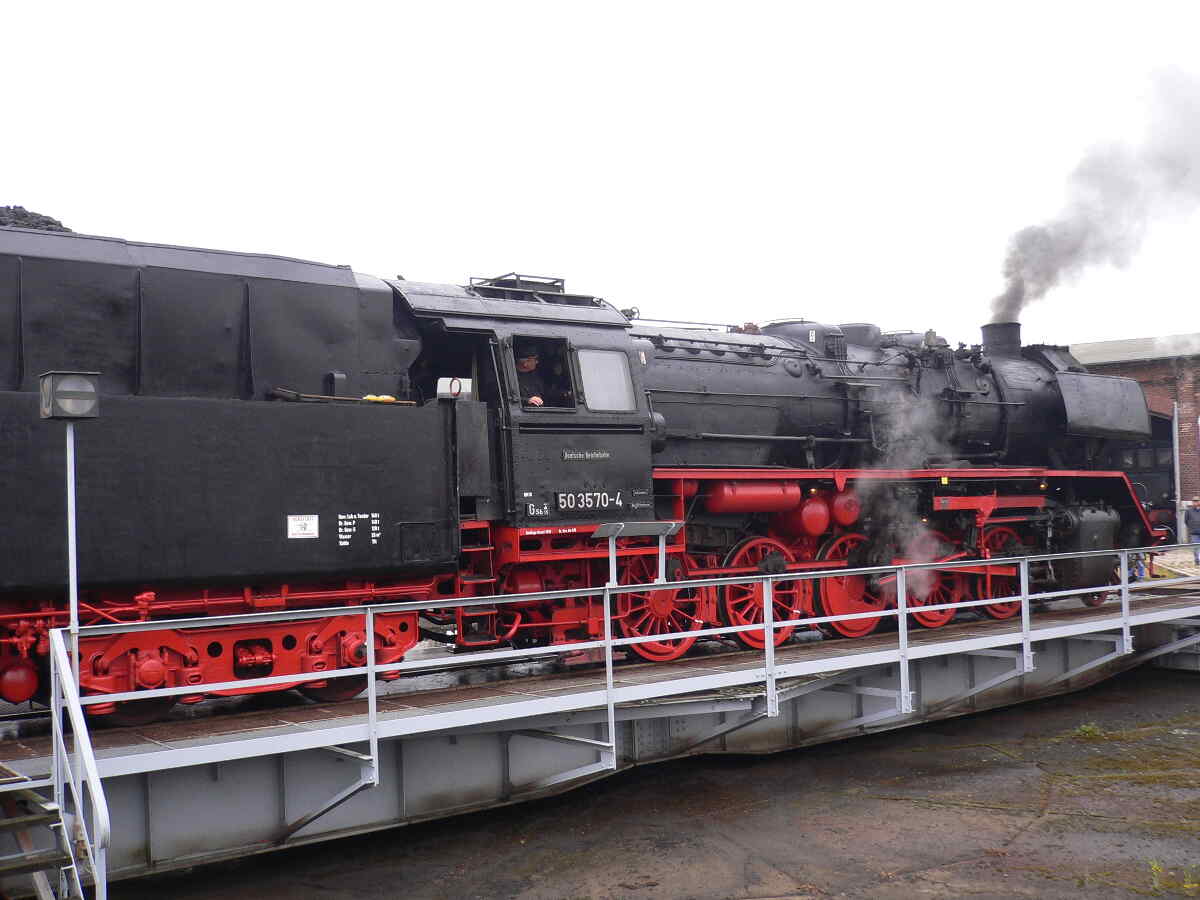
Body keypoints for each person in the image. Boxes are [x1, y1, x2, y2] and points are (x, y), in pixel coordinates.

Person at [515, 342, 548, 407]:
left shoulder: (535, 376)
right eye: (535, 359)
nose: (537, 362)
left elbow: (545, 392)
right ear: (525, 363)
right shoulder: (509, 377)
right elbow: (508, 398)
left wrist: (563, 393)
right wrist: (528, 400)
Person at [1187, 497, 1200, 565]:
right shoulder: (1189, 511)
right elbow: (1186, 521)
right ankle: (1197, 560)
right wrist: (1191, 527)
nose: (1195, 502)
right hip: (1194, 532)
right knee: (1196, 547)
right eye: (1194, 501)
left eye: (1197, 501)